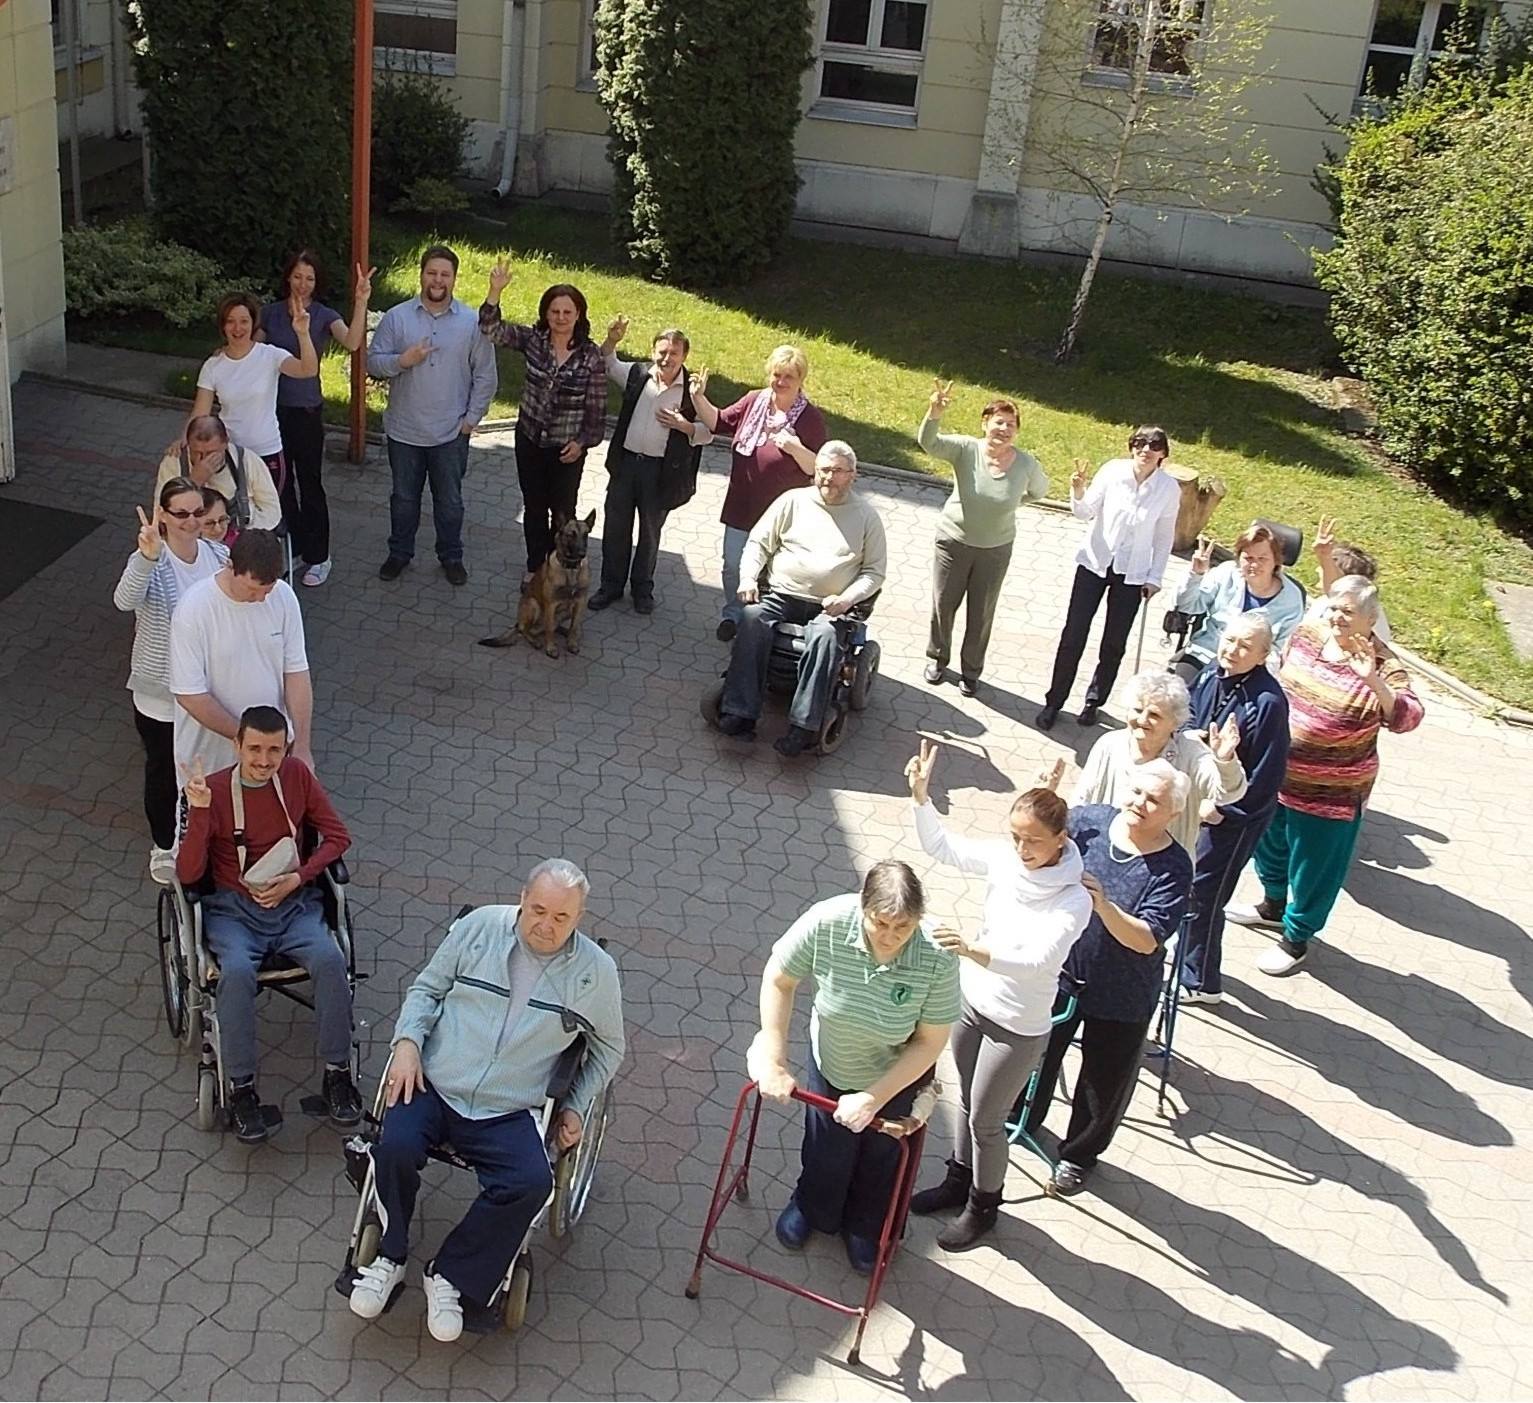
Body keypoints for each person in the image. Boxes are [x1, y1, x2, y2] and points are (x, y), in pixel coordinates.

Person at [347, 861, 624, 1341]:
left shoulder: (595, 974)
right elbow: (426, 990)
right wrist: (407, 1043)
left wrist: (576, 1104)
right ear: (522, 898)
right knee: (392, 1145)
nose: (546, 924)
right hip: (434, 1082)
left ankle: (450, 1274)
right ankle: (389, 1255)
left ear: (579, 918)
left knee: (532, 1183)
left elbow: (608, 1048)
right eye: (538, 909)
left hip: (507, 1108)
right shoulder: (478, 930)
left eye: (561, 917)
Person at [904, 743, 1091, 1250]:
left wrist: (973, 950)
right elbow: (944, 848)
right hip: (972, 1004)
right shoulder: (1007, 861)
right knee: (966, 1100)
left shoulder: (1074, 898)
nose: (1020, 849)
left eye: (1032, 841)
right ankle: (957, 1180)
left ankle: (985, 1207)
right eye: (1014, 837)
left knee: (989, 1120)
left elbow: (1038, 962)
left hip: (1018, 1024)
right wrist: (921, 798)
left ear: (1060, 840)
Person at [749, 861, 959, 1273]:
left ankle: (866, 1225)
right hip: (834, 1059)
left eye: (903, 928)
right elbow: (779, 977)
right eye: (880, 924)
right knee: (826, 1145)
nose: (890, 937)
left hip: (897, 1073)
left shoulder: (937, 955)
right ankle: (812, 1206)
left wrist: (873, 1096)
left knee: (882, 1157)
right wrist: (774, 1054)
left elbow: (931, 1041)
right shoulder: (827, 921)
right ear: (862, 907)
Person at [177, 705, 359, 1143]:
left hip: (294, 904)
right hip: (233, 911)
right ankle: (240, 1088)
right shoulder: (214, 791)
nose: (263, 760)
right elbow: (186, 874)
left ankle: (337, 1073)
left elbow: (338, 837)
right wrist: (200, 812)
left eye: (273, 750)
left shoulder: (296, 776)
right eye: (254, 748)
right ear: (237, 745)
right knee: (236, 972)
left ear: (286, 749)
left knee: (332, 960)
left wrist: (298, 876)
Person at [1227, 576, 1423, 976]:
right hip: (1277, 772)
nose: (1337, 617)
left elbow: (1407, 717)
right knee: (1271, 846)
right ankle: (1272, 905)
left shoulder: (1385, 665)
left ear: (1371, 619)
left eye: (1348, 611)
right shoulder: (1308, 635)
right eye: (1334, 607)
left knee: (1314, 868)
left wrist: (1373, 681)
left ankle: (1296, 938)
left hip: (1330, 792)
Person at [1021, 762, 1193, 1196]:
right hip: (1061, 971)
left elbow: (1147, 940)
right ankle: (1021, 1120)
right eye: (1136, 792)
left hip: (1122, 992)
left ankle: (1078, 1156)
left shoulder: (1173, 867)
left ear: (1172, 813)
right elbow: (1042, 854)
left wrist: (1104, 906)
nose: (1140, 804)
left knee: (1103, 1082)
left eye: (1153, 801)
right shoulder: (1088, 822)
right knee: (1038, 1055)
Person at [715, 442, 887, 757]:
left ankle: (803, 728)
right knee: (752, 620)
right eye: (823, 470)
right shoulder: (792, 501)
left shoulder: (866, 517)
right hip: (782, 592)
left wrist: (847, 599)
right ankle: (739, 711)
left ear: (853, 475)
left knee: (823, 636)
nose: (829, 478)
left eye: (837, 471)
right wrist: (749, 578)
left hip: (831, 605)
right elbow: (758, 542)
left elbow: (874, 572)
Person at [113, 478, 228, 883]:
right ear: (163, 516)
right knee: (163, 771)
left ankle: (204, 838)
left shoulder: (219, 556)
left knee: (206, 769)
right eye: (181, 513)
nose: (192, 521)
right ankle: (164, 845)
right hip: (160, 694)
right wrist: (145, 557)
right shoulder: (152, 559)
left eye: (199, 513)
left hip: (209, 691)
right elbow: (124, 600)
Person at [1037, 426, 1181, 730]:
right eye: (1140, 444)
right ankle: (1054, 701)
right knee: (1073, 634)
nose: (1146, 450)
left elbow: (1164, 537)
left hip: (1132, 574)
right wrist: (1077, 490)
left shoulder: (1169, 490)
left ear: (1163, 454)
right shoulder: (1113, 472)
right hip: (1094, 564)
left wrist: (1155, 577)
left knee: (1114, 643)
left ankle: (1094, 701)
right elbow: (1085, 512)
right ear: (1132, 447)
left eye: (1154, 446)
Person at [370, 245, 498, 586]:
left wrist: (470, 421)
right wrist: (402, 361)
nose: (437, 280)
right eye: (432, 272)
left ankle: (451, 557)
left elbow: (486, 375)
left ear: (454, 279)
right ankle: (399, 553)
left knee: (450, 503)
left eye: (445, 274)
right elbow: (373, 362)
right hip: (404, 431)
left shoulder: (472, 322)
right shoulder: (397, 318)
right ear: (421, 274)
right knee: (403, 500)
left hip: (450, 434)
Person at [1178, 615, 1290, 1004]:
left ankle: (1201, 981)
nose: (1232, 650)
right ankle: (1183, 958)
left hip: (1232, 817)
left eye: (1245, 646)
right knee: (1186, 883)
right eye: (1229, 640)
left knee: (1205, 895)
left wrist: (1225, 811)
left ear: (1262, 655)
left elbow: (1267, 775)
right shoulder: (1213, 671)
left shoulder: (1269, 703)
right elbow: (1191, 711)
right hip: (1196, 799)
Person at [917, 380, 1049, 698]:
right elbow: (929, 443)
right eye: (998, 421)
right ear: (985, 423)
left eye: (1011, 424)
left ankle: (971, 671)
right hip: (953, 542)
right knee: (943, 604)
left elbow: (1040, 491)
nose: (1003, 429)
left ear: (1017, 431)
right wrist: (934, 413)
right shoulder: (966, 449)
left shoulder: (1026, 463)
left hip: (995, 550)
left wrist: (1013, 503)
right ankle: (937, 657)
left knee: (981, 612)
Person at [479, 262, 608, 583]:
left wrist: (582, 443)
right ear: (545, 313)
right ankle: (536, 567)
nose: (560, 318)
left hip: (567, 450)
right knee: (534, 509)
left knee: (563, 513)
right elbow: (491, 330)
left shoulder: (590, 356)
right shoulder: (534, 340)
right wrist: (495, 291)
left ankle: (562, 567)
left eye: (567, 312)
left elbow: (597, 411)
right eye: (554, 311)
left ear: (579, 315)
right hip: (530, 441)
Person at [689, 346, 827, 641]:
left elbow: (817, 468)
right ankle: (734, 615)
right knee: (732, 566)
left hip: (782, 516)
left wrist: (794, 447)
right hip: (742, 504)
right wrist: (698, 397)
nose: (781, 381)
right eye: (777, 374)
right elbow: (718, 422)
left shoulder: (809, 419)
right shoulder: (755, 401)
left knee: (771, 575)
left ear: (801, 379)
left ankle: (761, 625)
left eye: (789, 376)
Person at [259, 251, 374, 587]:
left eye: (309, 278)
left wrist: (361, 300)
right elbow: (251, 350)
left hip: (306, 412)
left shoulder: (323, 315)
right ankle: (295, 547)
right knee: (281, 485)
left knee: (310, 484)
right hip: (272, 412)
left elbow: (352, 342)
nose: (303, 284)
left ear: (317, 282)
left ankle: (319, 556)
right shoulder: (270, 313)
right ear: (287, 278)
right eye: (297, 276)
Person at [586, 317, 710, 615]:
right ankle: (610, 587)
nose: (667, 358)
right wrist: (612, 340)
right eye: (662, 351)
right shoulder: (638, 373)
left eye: (674, 353)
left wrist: (685, 426)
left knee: (650, 533)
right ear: (653, 351)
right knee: (616, 528)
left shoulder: (692, 390)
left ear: (684, 356)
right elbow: (606, 363)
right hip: (626, 464)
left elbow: (709, 431)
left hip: (661, 473)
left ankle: (642, 590)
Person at [169, 529, 313, 780]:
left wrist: (301, 746)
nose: (259, 599)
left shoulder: (284, 597)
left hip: (269, 758)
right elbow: (190, 695)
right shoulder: (194, 610)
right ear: (230, 565)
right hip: (210, 765)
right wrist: (252, 740)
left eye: (266, 591)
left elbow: (296, 674)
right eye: (251, 589)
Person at [1074, 670, 1247, 861]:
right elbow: (1082, 800)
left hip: (1162, 869)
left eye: (1154, 715)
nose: (1142, 720)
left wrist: (1224, 760)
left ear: (1175, 722)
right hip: (1101, 854)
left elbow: (1229, 793)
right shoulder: (1109, 744)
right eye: (1138, 710)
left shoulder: (1192, 755)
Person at [191, 291, 318, 487]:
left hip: (267, 452)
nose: (237, 328)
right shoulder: (213, 365)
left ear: (253, 323)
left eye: (244, 321)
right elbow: (200, 414)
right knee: (228, 513)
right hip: (228, 453)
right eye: (230, 321)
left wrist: (303, 333)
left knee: (268, 514)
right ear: (223, 326)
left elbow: (308, 369)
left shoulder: (270, 355)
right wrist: (183, 441)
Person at [1170, 522, 1306, 683]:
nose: (1254, 565)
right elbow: (1187, 606)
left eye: (1262, 558)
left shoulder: (1291, 599)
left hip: (1250, 669)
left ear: (1276, 560)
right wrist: (1196, 574)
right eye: (1248, 558)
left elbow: (1282, 649)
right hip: (1205, 654)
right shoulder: (1226, 573)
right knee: (1175, 697)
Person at [156, 414, 281, 535]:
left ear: (225, 443)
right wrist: (194, 482)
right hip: (191, 541)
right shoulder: (172, 464)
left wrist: (243, 535)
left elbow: (272, 511)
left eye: (211, 453)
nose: (204, 459)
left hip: (239, 537)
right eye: (197, 452)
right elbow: (161, 515)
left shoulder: (247, 460)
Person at [1313, 516, 1394, 644]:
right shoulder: (1322, 602)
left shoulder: (1367, 612)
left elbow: (1338, 587)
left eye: (1325, 567)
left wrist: (1325, 557)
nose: (1318, 569)